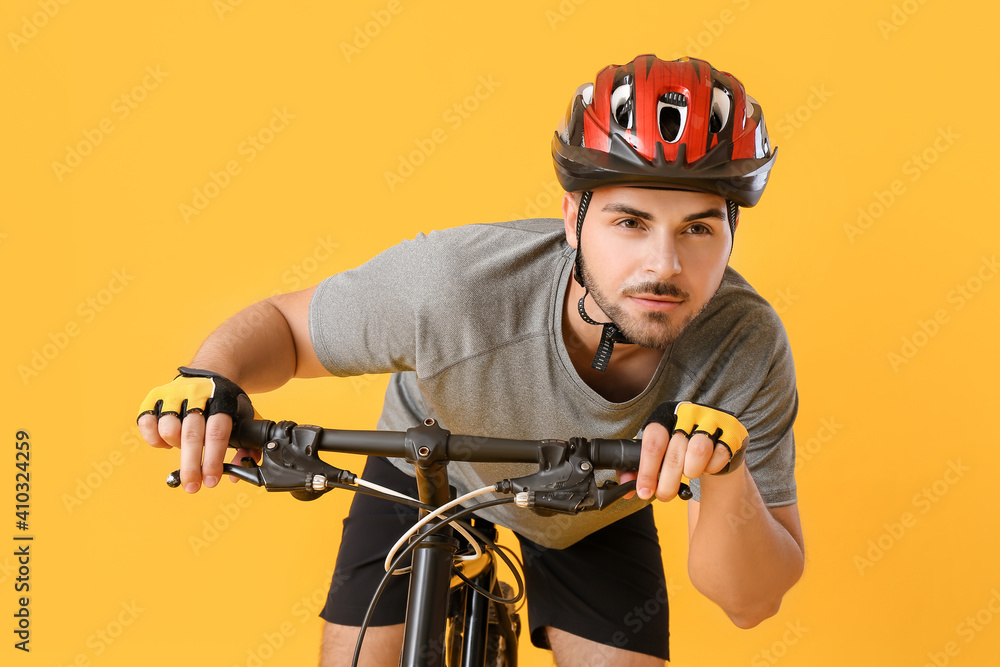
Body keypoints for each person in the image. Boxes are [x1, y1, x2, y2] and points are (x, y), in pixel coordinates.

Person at [138, 54, 804, 666]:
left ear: (731, 233)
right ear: (573, 218)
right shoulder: (455, 286)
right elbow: (285, 327)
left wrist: (724, 472)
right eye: (630, 222)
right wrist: (210, 377)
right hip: (427, 465)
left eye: (698, 228)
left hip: (592, 506)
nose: (663, 264)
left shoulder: (744, 343)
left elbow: (751, 601)